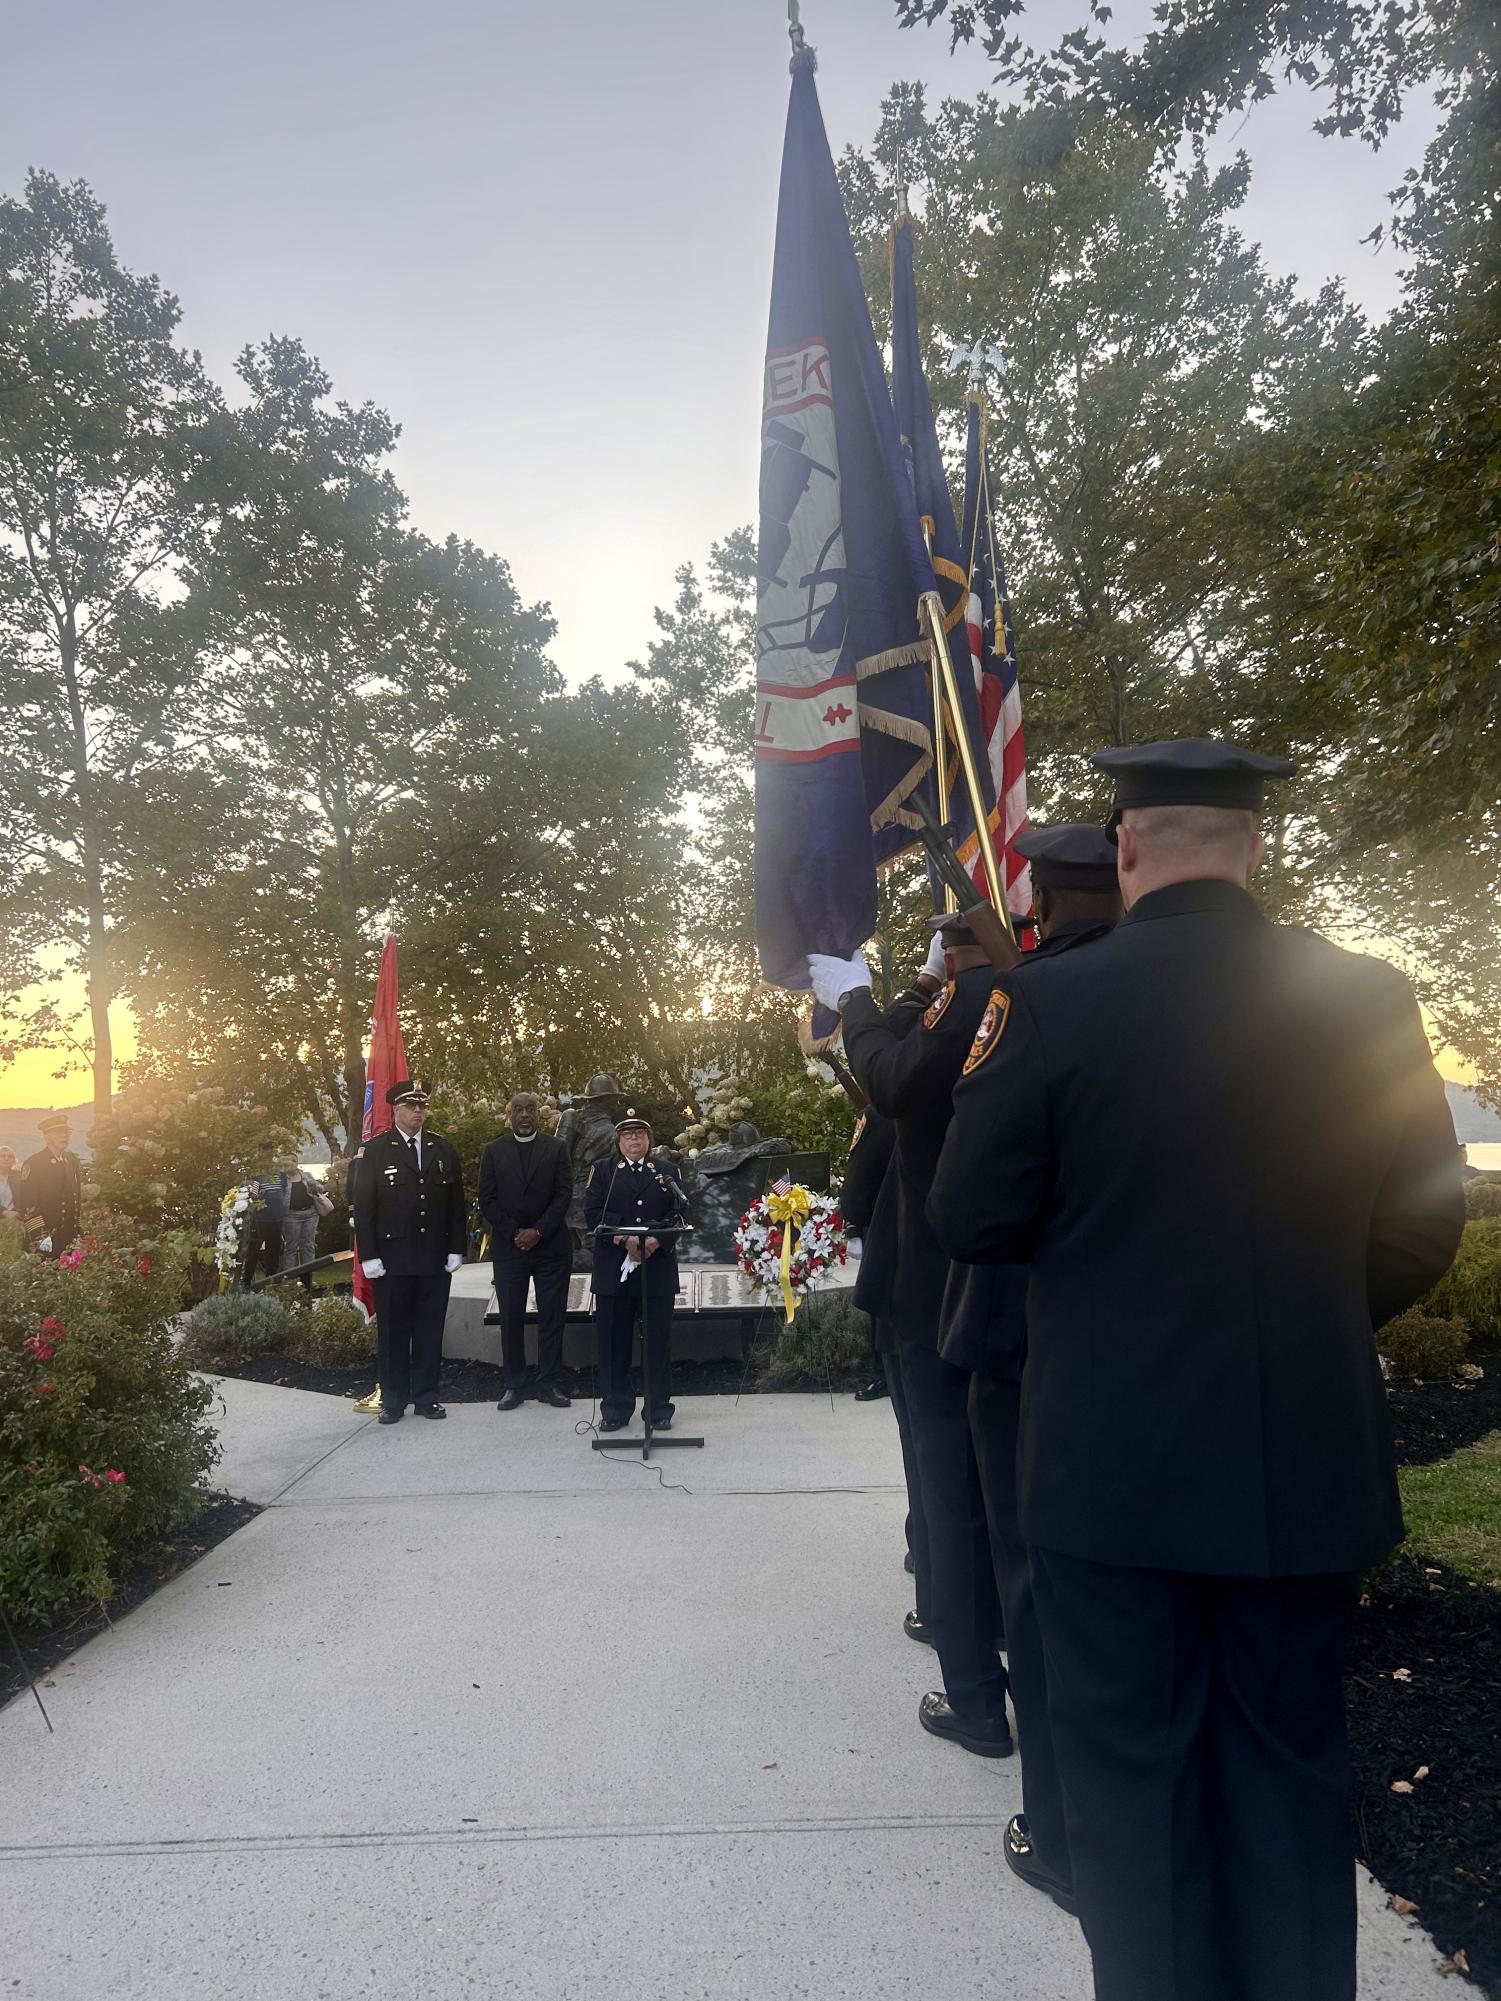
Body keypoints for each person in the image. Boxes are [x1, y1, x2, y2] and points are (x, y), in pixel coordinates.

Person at [931, 739, 1467, 2001]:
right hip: (1300, 1457)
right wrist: (1307, 1318)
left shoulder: (1045, 1003)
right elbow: (1423, 1219)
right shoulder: (1368, 995)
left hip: (1108, 1470)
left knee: (1129, 1783)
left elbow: (974, 1218)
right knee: (1287, 1769)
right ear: (1256, 848)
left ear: (1124, 851)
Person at [947, 824, 1122, 1917]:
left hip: (1026, 1347)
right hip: (1164, 1358)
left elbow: (968, 1209)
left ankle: (1061, 1833)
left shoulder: (1031, 1005)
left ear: (1040, 906)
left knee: (1039, 1590)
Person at [810, 913, 1011, 1761]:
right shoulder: (1015, 1009)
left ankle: (971, 1692)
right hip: (1000, 1287)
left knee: (943, 1490)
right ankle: (992, 1635)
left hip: (928, 1286)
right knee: (992, 1488)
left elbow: (890, 1083)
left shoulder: (974, 1014)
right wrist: (924, 987)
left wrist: (865, 995)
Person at [352, 1079, 468, 1425]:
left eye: (422, 1105)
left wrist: (456, 1248)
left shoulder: (442, 1149)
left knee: (430, 1331)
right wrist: (369, 1255)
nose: (418, 1111)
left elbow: (455, 1205)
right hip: (392, 1259)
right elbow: (364, 1208)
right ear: (395, 1110)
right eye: (410, 1105)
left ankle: (428, 1398)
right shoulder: (375, 1151)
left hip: (433, 1257)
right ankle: (393, 1400)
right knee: (393, 1332)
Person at [584, 1108, 689, 1432]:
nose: (634, 1140)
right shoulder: (603, 1171)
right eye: (628, 1135)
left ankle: (658, 1409)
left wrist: (655, 1241)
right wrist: (623, 1239)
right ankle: (615, 1409)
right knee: (613, 1343)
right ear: (618, 1141)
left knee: (657, 1343)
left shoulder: (667, 1170)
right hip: (614, 1272)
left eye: (640, 1134)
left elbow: (681, 1213)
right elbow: (591, 1213)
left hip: (655, 1271)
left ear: (649, 1139)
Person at [478, 1091, 574, 1411]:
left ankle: (549, 1383)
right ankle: (514, 1385)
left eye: (529, 1109)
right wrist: (514, 1232)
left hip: (551, 1248)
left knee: (552, 1317)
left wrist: (539, 1231)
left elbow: (563, 1194)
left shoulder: (556, 1148)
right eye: (517, 1110)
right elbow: (487, 1200)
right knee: (511, 1318)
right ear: (510, 1115)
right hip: (510, 1248)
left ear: (537, 1114)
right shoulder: (493, 1151)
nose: (524, 1115)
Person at [19, 1114, 83, 1257]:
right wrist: (40, 1237)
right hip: (45, 1239)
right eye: (58, 1133)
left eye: (66, 1132)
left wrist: (78, 1231)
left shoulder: (71, 1161)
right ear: (47, 1137)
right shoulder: (34, 1163)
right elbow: (29, 1204)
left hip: (69, 1238)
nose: (64, 1136)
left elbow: (76, 1199)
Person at [275, 1159, 334, 1287]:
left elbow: (319, 1189)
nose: (290, 1164)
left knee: (308, 1246)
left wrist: (317, 1187)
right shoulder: (282, 1179)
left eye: (293, 1161)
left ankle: (307, 1279)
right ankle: (288, 1281)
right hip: (291, 1216)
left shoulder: (306, 1175)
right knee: (290, 1247)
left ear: (296, 1162)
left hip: (310, 1214)